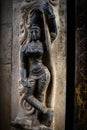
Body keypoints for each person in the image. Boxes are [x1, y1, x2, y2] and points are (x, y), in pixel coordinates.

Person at [20, 25, 53, 127]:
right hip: (32, 74)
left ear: (40, 33)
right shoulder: (25, 47)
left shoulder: (43, 44)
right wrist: (24, 80)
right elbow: (23, 66)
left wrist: (50, 17)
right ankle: (47, 112)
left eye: (36, 31)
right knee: (27, 96)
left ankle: (39, 122)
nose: (34, 34)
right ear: (29, 33)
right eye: (32, 31)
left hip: (43, 73)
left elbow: (54, 34)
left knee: (40, 97)